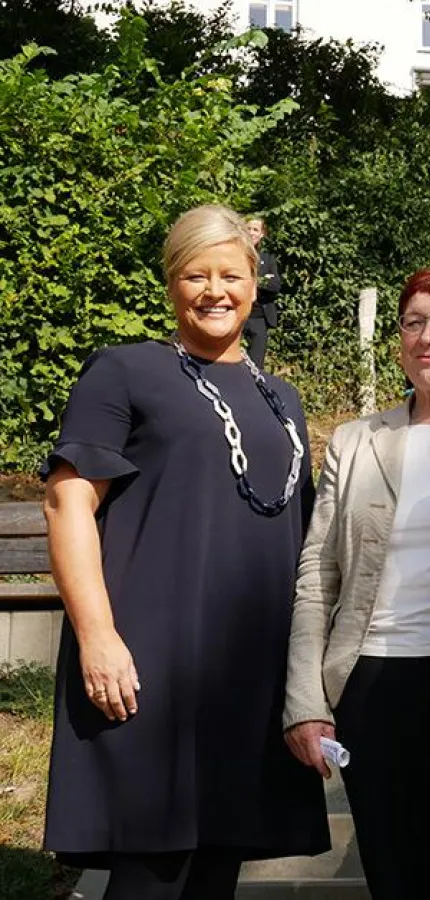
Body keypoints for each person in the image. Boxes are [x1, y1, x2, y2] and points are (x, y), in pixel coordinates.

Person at [40, 204, 329, 900]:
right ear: (171, 285)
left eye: (231, 274)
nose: (214, 290)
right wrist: (98, 636)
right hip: (150, 662)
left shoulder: (281, 398)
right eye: (194, 275)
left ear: (255, 284)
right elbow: (67, 501)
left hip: (245, 671)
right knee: (153, 875)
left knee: (216, 870)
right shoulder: (124, 372)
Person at [283, 267, 430, 900]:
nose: (427, 337)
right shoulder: (357, 440)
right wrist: (306, 699)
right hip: (376, 684)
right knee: (401, 878)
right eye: (413, 323)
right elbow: (318, 576)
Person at [243, 216, 281, 368]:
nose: (251, 232)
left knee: (256, 365)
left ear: (262, 234)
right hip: (237, 316)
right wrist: (263, 278)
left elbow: (275, 286)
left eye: (255, 229)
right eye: (249, 228)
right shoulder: (235, 254)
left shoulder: (268, 258)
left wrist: (253, 280)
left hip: (259, 318)